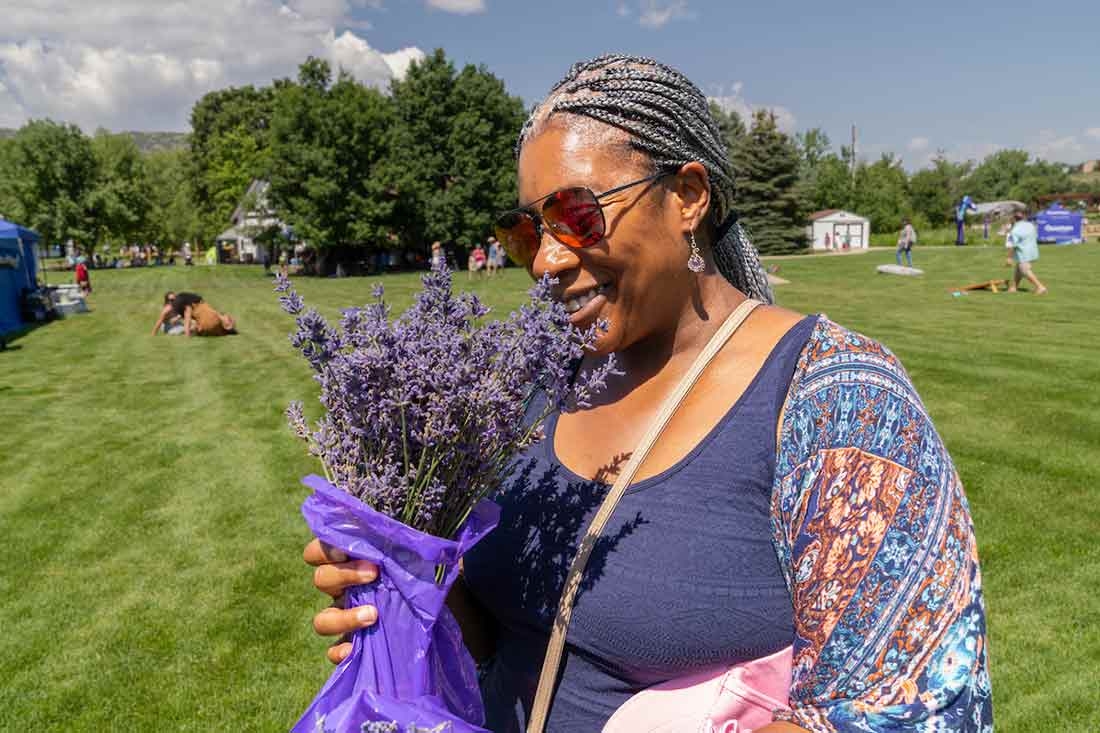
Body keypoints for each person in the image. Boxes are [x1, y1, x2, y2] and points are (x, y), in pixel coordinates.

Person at [302, 55, 991, 732]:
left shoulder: (838, 396)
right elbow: (514, 641)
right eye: (526, 231)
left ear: (688, 196)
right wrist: (405, 595)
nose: (546, 259)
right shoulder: (529, 389)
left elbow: (906, 705)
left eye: (576, 214)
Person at [1005, 211, 1048, 294]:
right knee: (1019, 268)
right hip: (1033, 251)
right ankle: (1013, 287)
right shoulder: (1030, 225)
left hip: (1023, 253)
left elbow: (1012, 245)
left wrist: (1009, 258)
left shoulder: (1015, 231)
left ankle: (1040, 287)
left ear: (1014, 219)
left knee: (1024, 269)